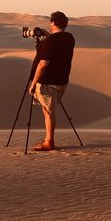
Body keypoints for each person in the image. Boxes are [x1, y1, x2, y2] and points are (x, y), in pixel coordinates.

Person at [28, 11, 75, 151]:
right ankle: (49, 139)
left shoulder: (49, 42)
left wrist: (33, 83)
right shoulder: (70, 38)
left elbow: (43, 64)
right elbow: (57, 41)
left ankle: (49, 141)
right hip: (62, 80)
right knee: (50, 108)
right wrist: (46, 36)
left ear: (53, 23)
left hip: (48, 81)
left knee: (48, 110)